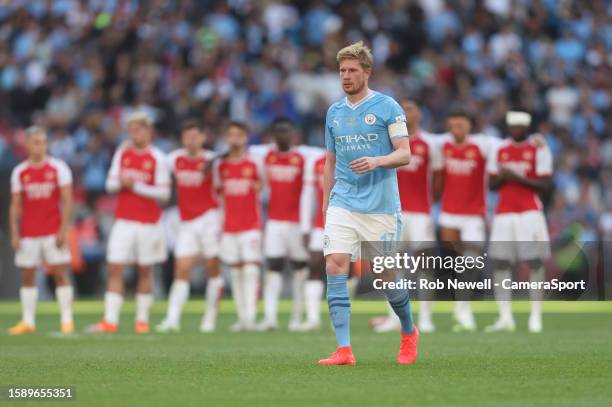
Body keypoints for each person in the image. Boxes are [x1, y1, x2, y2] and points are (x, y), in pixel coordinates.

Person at [319, 41, 418, 366]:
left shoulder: (389, 107)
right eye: (342, 71)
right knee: (335, 264)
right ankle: (344, 349)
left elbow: (405, 153)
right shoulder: (333, 113)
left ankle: (408, 331)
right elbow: (330, 163)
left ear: (366, 72)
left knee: (385, 277)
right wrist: (325, 207)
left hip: (380, 206)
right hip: (343, 202)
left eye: (352, 70)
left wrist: (377, 161)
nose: (345, 77)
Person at [88, 111, 171, 334]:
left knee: (145, 270)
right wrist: (123, 183)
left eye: (139, 129)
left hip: (148, 222)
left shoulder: (158, 158)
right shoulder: (122, 152)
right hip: (124, 220)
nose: (135, 134)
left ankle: (141, 321)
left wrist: (136, 186)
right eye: (132, 130)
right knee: (115, 267)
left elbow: (164, 193)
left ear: (149, 131)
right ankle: (110, 321)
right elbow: (110, 184)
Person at [371, 99, 443, 334]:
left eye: (410, 108)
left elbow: (438, 179)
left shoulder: (430, 143)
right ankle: (394, 317)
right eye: (402, 109)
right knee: (390, 266)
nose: (406, 112)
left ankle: (426, 317)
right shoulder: (386, 142)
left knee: (424, 265)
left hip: (421, 214)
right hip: (391, 212)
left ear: (419, 114)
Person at [486, 111, 553, 333]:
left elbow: (544, 185)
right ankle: (505, 317)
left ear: (526, 128)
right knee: (501, 263)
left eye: (519, 127)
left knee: (534, 262)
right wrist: (502, 177)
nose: (515, 130)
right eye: (512, 126)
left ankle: (536, 316)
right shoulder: (500, 148)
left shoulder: (538, 148)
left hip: (529, 211)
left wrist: (516, 177)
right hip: (504, 212)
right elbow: (492, 185)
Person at [156, 120, 223, 333]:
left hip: (210, 219)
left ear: (203, 138)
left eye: (195, 136)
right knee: (181, 269)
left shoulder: (213, 160)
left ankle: (210, 318)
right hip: (186, 222)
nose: (191, 140)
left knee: (212, 269)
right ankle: (172, 319)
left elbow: (223, 189)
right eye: (187, 136)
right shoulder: (173, 159)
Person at [8, 126, 75, 335]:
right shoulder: (20, 172)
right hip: (29, 233)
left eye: (44, 142)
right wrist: (14, 233)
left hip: (52, 232)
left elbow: (67, 200)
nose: (41, 146)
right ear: (27, 144)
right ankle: (28, 321)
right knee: (27, 276)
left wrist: (63, 230)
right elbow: (16, 204)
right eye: (36, 142)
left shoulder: (59, 168)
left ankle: (67, 320)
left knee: (60, 274)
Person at [437, 108, 497, 332]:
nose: (456, 130)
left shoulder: (483, 144)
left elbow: (507, 144)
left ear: (469, 126)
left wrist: (535, 141)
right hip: (449, 213)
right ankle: (460, 307)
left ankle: (463, 307)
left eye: (460, 125)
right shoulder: (442, 144)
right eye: (452, 125)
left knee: (470, 261)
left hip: (474, 213)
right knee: (454, 261)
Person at [252, 118, 310, 331]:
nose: (283, 136)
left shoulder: (303, 157)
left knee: (300, 269)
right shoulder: (265, 156)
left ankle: (296, 317)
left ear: (293, 135)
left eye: (286, 132)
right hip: (274, 223)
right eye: (279, 132)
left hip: (296, 223)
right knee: (273, 267)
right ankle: (270, 317)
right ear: (273, 136)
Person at [214, 121, 263, 332]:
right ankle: (241, 318)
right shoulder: (220, 166)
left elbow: (261, 189)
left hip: (250, 224)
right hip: (228, 227)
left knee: (251, 270)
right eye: (231, 135)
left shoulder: (254, 163)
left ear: (245, 138)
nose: (235, 139)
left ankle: (251, 317)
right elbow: (217, 197)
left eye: (239, 135)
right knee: (234, 273)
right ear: (226, 138)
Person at [299, 147, 326, 331]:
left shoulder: (356, 157)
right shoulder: (316, 161)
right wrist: (305, 227)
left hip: (350, 222)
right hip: (321, 224)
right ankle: (313, 318)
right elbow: (308, 195)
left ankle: (340, 317)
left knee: (346, 273)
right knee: (315, 265)